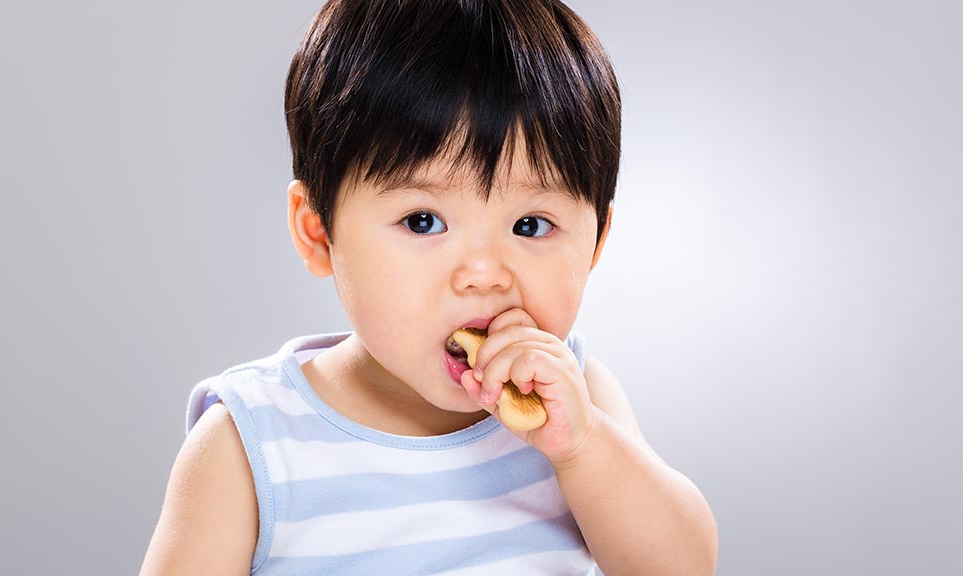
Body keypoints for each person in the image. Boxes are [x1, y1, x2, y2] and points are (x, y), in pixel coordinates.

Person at [141, 0, 718, 574]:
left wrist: (583, 449)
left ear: (595, 244)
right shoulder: (252, 444)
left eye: (530, 226)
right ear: (318, 231)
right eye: (424, 221)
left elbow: (684, 566)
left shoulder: (577, 397)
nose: (485, 273)